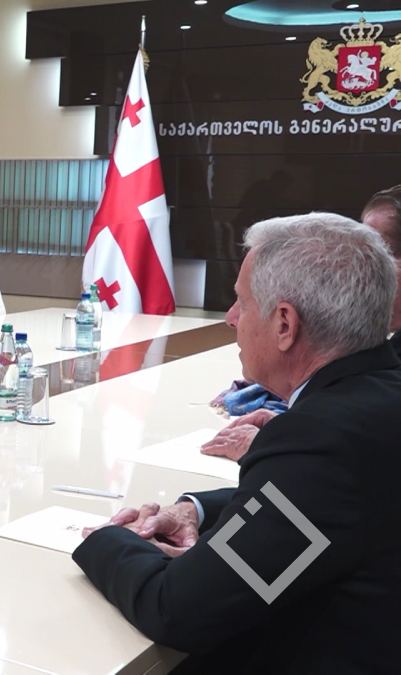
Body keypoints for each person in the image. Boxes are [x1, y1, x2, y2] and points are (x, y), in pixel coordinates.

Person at [74, 213, 401, 674]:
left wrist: (111, 539)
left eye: (242, 304)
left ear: (285, 324)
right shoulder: (377, 398)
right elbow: (323, 504)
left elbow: (178, 612)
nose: (230, 319)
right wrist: (196, 510)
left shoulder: (322, 440)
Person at [202, 185, 401, 461]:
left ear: (285, 324)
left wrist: (281, 451)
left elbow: (277, 491)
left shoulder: (311, 439)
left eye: (384, 250)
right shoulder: (382, 369)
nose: (368, 263)